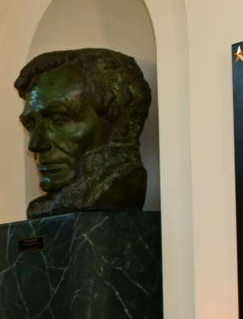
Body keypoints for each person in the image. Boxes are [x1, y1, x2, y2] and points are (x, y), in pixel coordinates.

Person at [15, 48, 151, 218]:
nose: (35, 145)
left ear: (117, 120)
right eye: (31, 125)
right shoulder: (51, 204)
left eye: (58, 120)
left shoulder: (113, 191)